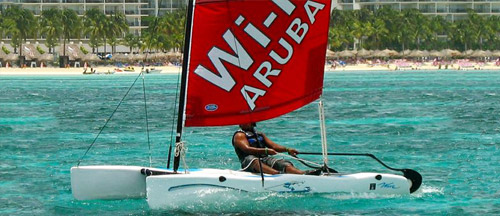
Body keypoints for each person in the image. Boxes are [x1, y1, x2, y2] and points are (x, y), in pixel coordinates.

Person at [232, 122, 321, 175]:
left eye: (246, 121)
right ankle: (277, 174)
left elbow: (273, 146)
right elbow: (246, 149)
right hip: (248, 163)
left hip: (264, 159)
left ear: (252, 122)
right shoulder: (239, 135)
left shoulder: (259, 134)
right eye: (242, 122)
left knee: (281, 163)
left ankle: (302, 173)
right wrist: (266, 150)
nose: (243, 123)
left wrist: (287, 149)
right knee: (254, 160)